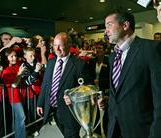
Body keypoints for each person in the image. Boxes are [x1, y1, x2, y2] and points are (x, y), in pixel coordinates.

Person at [97, 8, 161, 138]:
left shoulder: (151, 49)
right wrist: (109, 100)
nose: (105, 31)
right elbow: (122, 90)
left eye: (109, 25)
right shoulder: (112, 56)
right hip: (115, 128)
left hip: (141, 131)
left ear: (125, 25)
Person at [37, 32, 93, 138]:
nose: (57, 49)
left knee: (71, 135)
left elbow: (88, 88)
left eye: (60, 45)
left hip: (70, 111)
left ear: (69, 45)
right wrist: (40, 102)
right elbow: (45, 83)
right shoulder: (51, 62)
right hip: (53, 109)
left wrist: (74, 96)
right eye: (54, 45)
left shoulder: (79, 65)